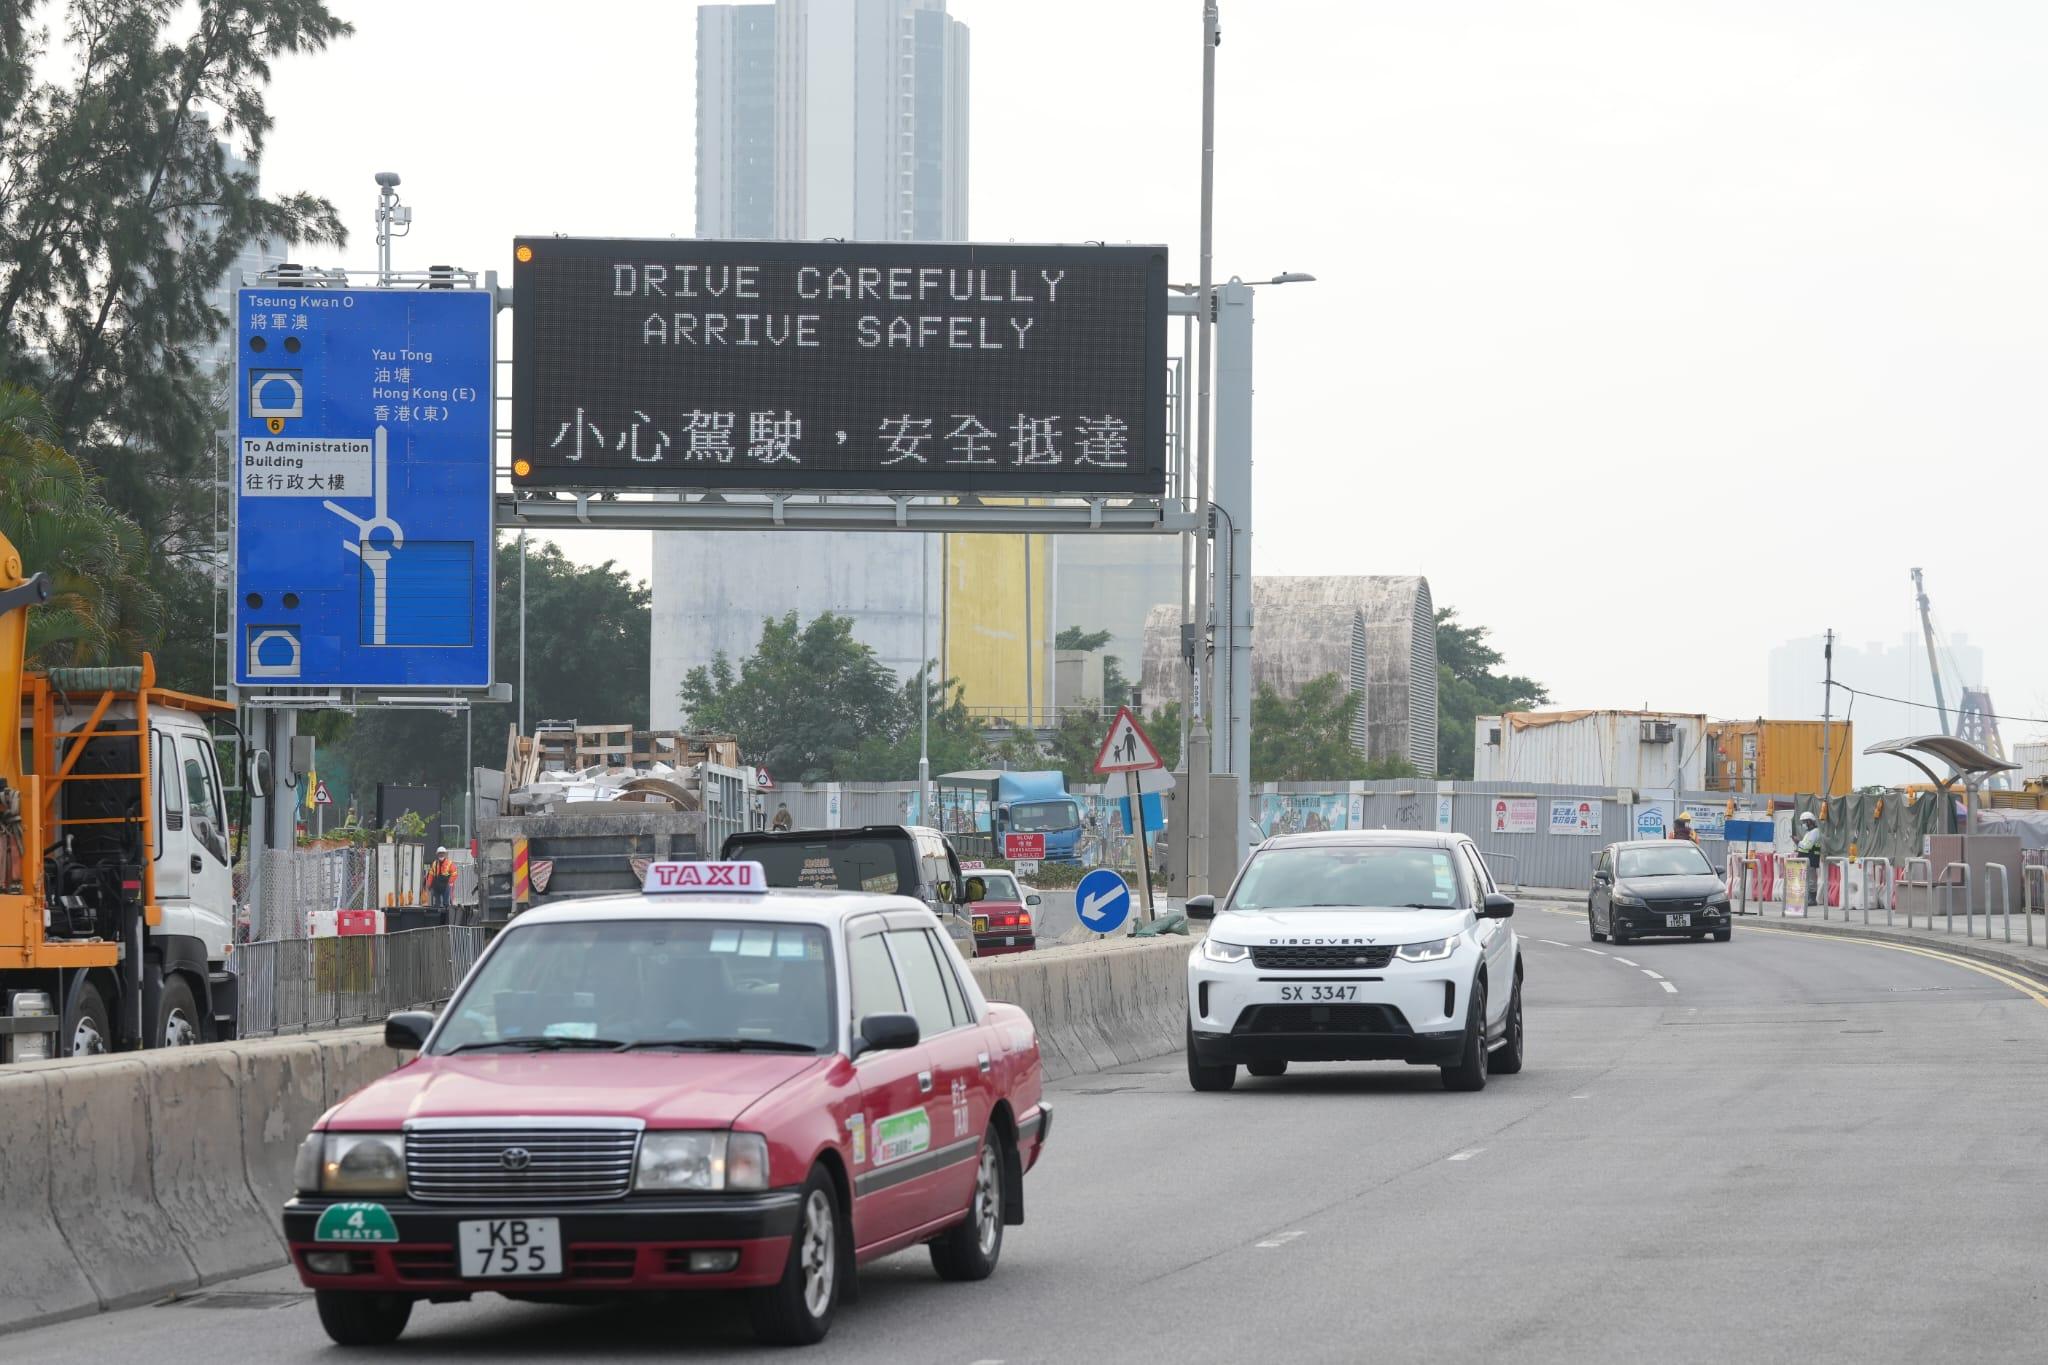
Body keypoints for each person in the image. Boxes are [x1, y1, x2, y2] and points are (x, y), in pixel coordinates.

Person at [423, 845, 457, 913]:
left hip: (446, 885)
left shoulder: (450, 863)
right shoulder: (435, 863)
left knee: (446, 902)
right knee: (437, 902)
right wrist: (429, 885)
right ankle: (437, 913)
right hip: (437, 884)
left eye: (442, 853)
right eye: (440, 853)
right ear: (437, 854)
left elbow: (454, 874)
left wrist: (449, 882)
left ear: (445, 854)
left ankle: (446, 913)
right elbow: (431, 875)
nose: (441, 854)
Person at [1795, 811, 1823, 882]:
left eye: (1804, 822)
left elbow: (1808, 846)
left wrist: (1798, 842)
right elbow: (1803, 846)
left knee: (1811, 881)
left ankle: (1812, 893)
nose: (1803, 824)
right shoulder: (1809, 832)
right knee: (1805, 881)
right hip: (1806, 860)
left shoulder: (1815, 832)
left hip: (1811, 860)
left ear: (1809, 821)